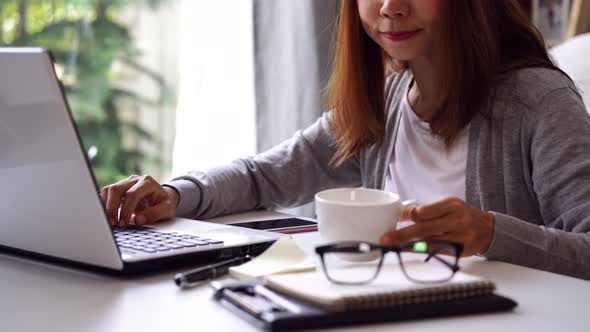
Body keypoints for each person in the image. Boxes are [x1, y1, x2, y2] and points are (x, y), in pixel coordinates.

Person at [100, 1, 590, 280]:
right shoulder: (388, 97)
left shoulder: (538, 101)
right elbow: (264, 175)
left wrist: (488, 232)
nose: (390, 8)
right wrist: (175, 194)